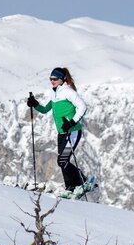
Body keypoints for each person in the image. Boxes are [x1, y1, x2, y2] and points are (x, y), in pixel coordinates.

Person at [27, 67, 91, 199]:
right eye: (50, 79)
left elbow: (82, 106)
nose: (52, 81)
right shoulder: (53, 93)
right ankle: (72, 187)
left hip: (73, 131)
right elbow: (45, 109)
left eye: (55, 79)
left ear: (62, 79)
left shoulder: (68, 91)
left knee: (63, 160)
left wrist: (72, 122)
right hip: (62, 133)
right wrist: (35, 104)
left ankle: (81, 183)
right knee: (62, 161)